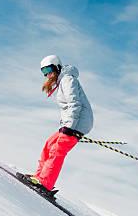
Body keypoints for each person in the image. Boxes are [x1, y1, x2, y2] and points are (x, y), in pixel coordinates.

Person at [24, 55, 93, 197]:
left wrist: (69, 127)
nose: (47, 75)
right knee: (49, 144)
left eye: (49, 70)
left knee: (58, 150)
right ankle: (39, 177)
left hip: (77, 123)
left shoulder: (68, 80)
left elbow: (75, 104)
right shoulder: (62, 81)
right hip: (72, 122)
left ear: (57, 67)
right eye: (43, 72)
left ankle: (45, 183)